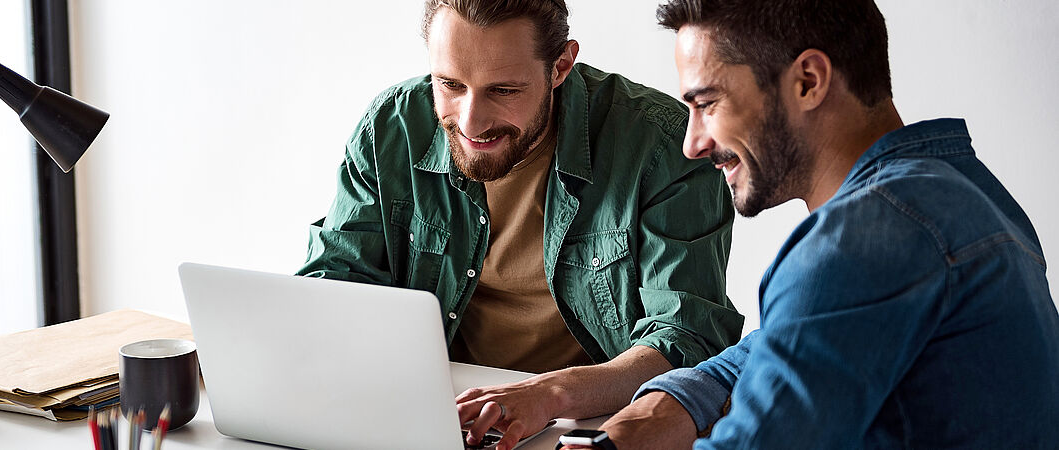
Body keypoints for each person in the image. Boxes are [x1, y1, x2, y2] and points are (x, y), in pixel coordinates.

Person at [565, 1, 1059, 449]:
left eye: (707, 103)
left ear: (808, 81)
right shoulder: (963, 192)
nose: (692, 144)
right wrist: (673, 399)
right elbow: (786, 340)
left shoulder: (860, 241)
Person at [296, 1, 744, 447]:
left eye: (504, 91)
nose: (471, 121)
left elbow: (687, 340)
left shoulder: (665, 147)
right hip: (441, 421)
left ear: (561, 66)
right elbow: (335, 285)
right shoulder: (391, 129)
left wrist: (548, 393)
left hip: (593, 427)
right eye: (450, 84)